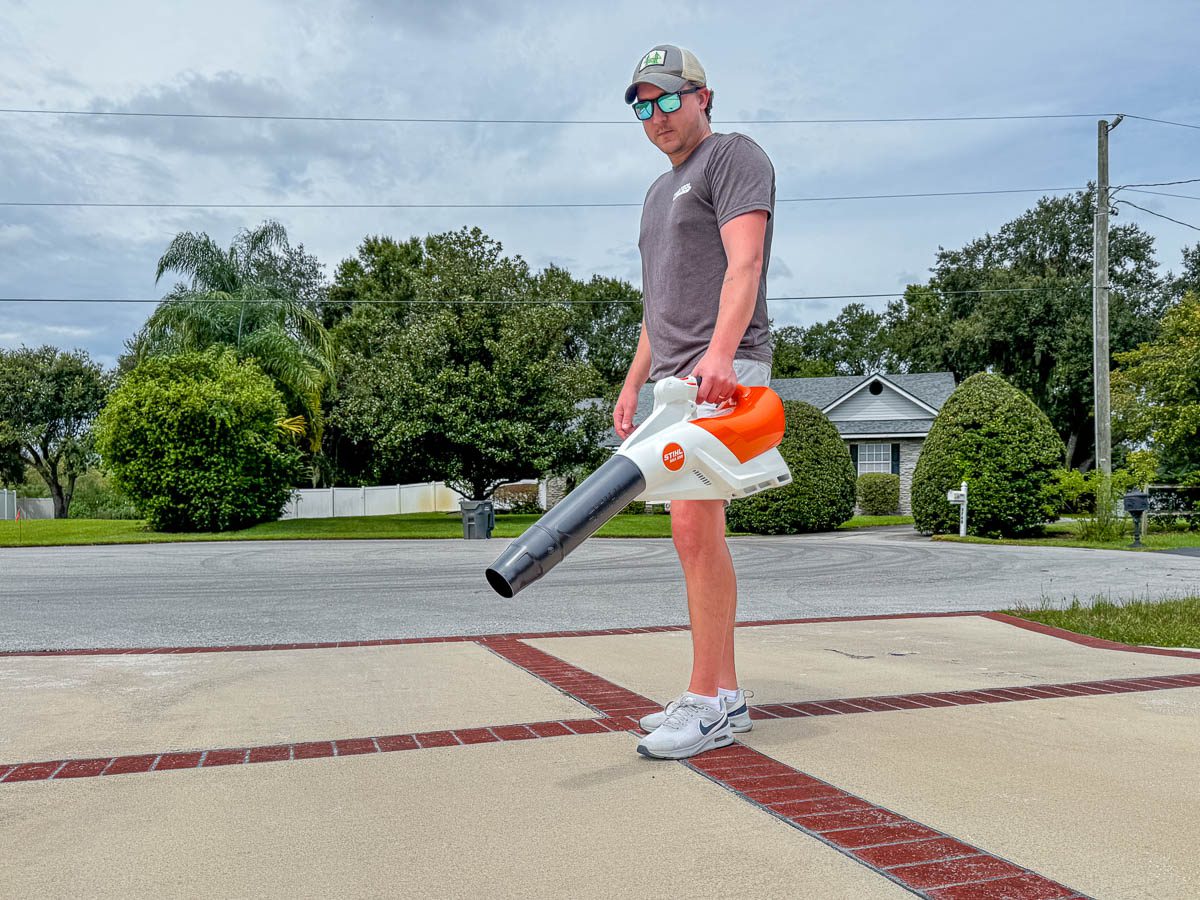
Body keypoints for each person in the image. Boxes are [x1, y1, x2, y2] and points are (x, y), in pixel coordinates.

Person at [614, 44, 775, 760]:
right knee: (696, 535)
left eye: (667, 99)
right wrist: (630, 382)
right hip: (673, 380)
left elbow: (746, 263)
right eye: (642, 106)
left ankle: (705, 702)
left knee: (691, 528)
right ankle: (726, 697)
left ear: (702, 97)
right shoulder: (655, 195)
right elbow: (658, 307)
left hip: (725, 371)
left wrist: (719, 353)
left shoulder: (733, 158)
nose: (656, 117)